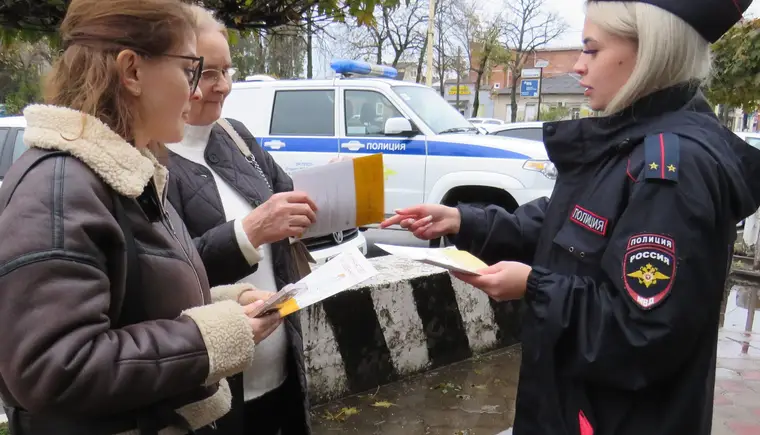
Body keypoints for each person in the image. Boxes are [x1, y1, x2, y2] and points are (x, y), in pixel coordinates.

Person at [381, 1, 760, 434]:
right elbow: (567, 224)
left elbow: (641, 332)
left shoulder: (670, 168)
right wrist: (465, 220)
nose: (578, 67)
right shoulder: (628, 143)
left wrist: (534, 286)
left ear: (649, 53)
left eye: (591, 50)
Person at [0, 1, 283, 434]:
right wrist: (210, 335)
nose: (196, 91)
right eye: (192, 68)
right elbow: (55, 368)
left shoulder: (124, 172)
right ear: (131, 71)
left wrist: (223, 307)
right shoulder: (60, 187)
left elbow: (131, 308)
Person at [163, 6, 314, 435]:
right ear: (180, 72)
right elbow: (170, 277)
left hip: (280, 363)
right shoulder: (151, 160)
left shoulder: (235, 136)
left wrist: (325, 205)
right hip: (216, 386)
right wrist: (248, 233)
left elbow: (288, 200)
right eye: (209, 73)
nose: (223, 86)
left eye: (228, 71)